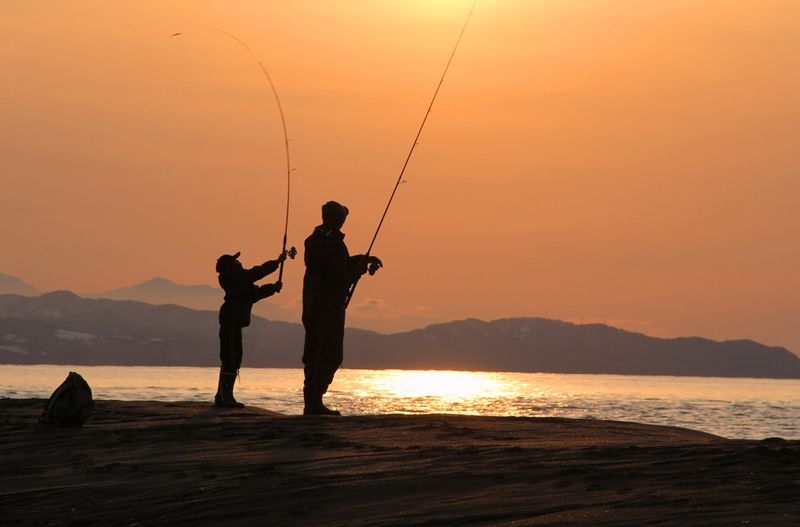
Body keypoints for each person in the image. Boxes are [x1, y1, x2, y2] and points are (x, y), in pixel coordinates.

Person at [301, 201, 382, 415]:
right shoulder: (334, 245)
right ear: (337, 219)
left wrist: (360, 259)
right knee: (331, 354)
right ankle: (315, 400)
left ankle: (310, 400)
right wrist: (359, 271)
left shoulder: (312, 241)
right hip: (328, 308)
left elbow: (329, 266)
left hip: (310, 305)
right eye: (342, 217)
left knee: (313, 352)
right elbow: (339, 279)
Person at [215, 250, 286, 408]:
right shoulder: (237, 278)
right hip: (232, 321)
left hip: (233, 322)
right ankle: (225, 396)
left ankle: (222, 395)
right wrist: (277, 262)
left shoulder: (237, 282)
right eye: (236, 262)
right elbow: (258, 272)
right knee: (231, 358)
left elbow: (256, 293)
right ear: (232, 266)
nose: (239, 263)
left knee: (231, 357)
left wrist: (273, 288)